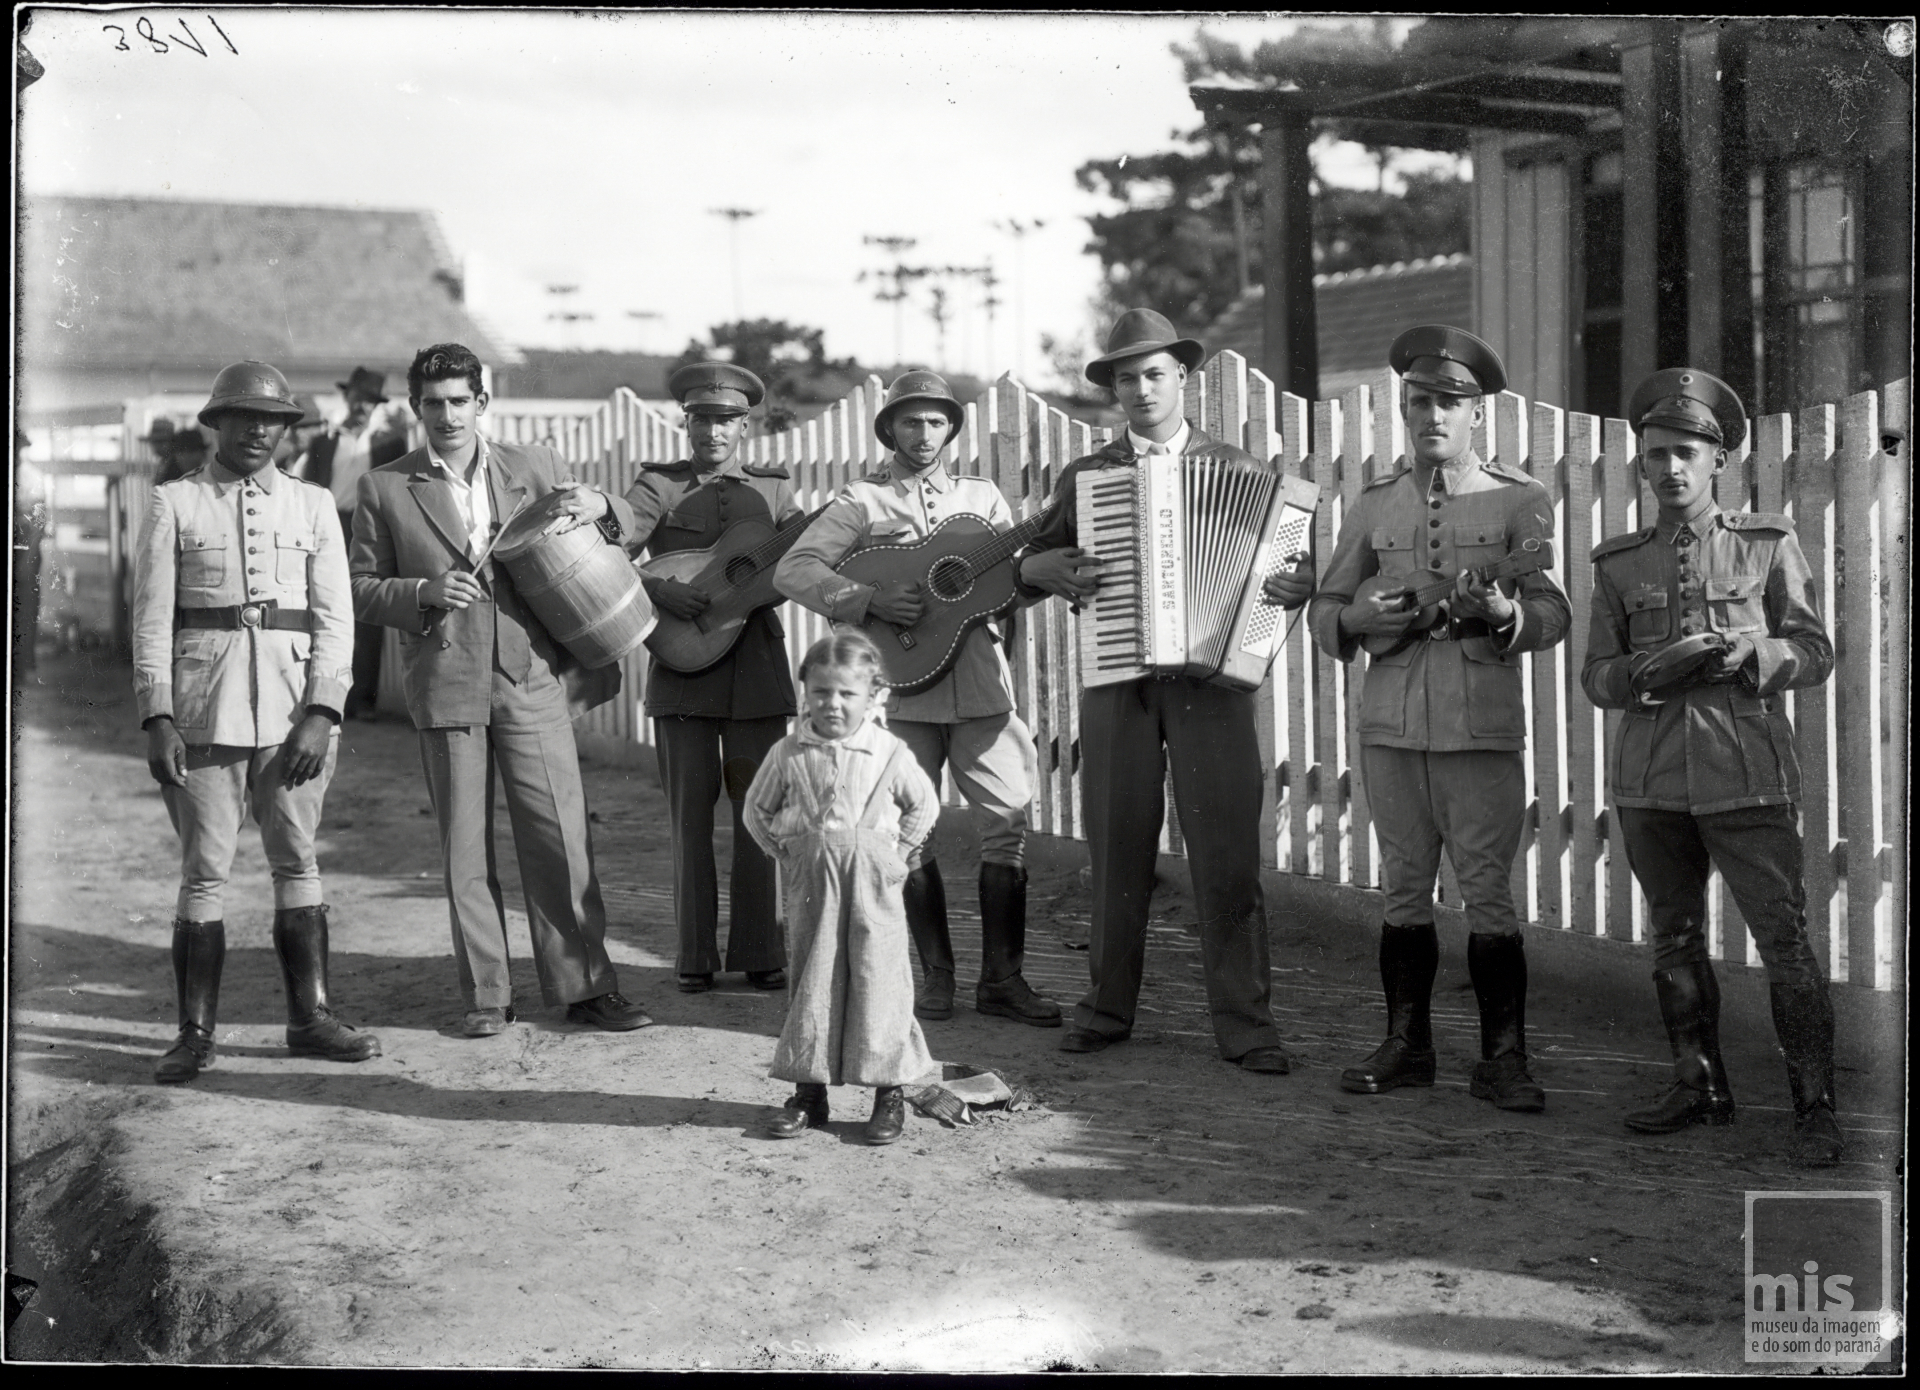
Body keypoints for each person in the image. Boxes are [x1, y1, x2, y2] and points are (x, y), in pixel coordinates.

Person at [1015, 309, 1312, 1072]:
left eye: (1154, 374)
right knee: (1115, 845)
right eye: (1126, 378)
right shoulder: (1086, 478)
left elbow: (1286, 574)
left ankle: (1246, 1025)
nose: (1141, 389)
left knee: (1228, 853)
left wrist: (1291, 586)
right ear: (1113, 390)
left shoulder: (1242, 471)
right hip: (1118, 680)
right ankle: (1106, 1009)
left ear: (1184, 377)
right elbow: (1028, 565)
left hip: (1214, 686)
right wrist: (1041, 571)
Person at [350, 342, 650, 1038]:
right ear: (416, 408)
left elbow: (606, 532)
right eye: (433, 403)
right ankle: (487, 994)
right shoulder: (384, 486)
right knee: (464, 848)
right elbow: (362, 589)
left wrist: (604, 504)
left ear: (482, 403)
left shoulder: (533, 465)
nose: (447, 415)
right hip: (446, 679)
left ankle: (585, 987)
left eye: (460, 401)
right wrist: (421, 591)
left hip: (530, 675)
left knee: (559, 836)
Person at [1307, 325, 1571, 1113]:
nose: (1434, 415)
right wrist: (1357, 616)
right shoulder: (1375, 502)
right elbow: (1325, 610)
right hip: (1390, 727)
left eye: (1451, 403)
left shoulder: (1521, 499)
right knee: (1402, 889)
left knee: (1488, 894)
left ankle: (1503, 1059)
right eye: (1421, 401)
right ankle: (1407, 1045)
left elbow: (1551, 612)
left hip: (1479, 726)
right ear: (1405, 409)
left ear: (1479, 413)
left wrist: (1502, 611)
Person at [1583, 368, 1842, 1167]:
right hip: (1651, 782)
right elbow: (1597, 674)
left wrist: (1750, 652)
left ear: (1718, 460)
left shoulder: (1766, 543)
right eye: (1655, 455)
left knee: (1785, 941)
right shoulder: (1619, 562)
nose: (1670, 469)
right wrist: (1639, 674)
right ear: (1640, 466)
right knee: (1674, 937)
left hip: (1745, 773)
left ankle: (1815, 1108)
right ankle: (1700, 1088)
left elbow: (1815, 650)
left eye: (1687, 453)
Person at [775, 370, 1061, 1028]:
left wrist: (1031, 573)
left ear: (951, 429)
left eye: (936, 422)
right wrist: (867, 598)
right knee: (909, 830)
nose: (924, 434)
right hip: (901, 689)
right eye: (911, 421)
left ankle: (1003, 980)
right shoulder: (861, 501)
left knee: (1006, 825)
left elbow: (1008, 582)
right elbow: (794, 569)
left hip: (982, 684)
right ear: (891, 429)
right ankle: (936, 976)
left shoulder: (981, 497)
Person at [130, 360, 380, 1083]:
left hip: (292, 712)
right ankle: (194, 1034)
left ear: (285, 429)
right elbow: (150, 624)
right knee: (204, 871)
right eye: (242, 418)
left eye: (270, 420)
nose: (256, 431)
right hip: (203, 713)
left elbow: (337, 621)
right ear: (217, 425)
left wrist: (323, 712)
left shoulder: (310, 507)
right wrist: (158, 717)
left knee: (297, 859)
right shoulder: (174, 504)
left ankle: (310, 1018)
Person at [622, 362, 794, 994]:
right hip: (682, 668)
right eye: (702, 419)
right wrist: (659, 585)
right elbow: (608, 555)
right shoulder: (657, 487)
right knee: (689, 819)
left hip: (754, 671)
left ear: (744, 425)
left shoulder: (775, 494)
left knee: (761, 813)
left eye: (726, 420)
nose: (713, 431)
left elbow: (802, 557)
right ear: (685, 421)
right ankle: (694, 955)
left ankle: (761, 951)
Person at [742, 629, 941, 1146]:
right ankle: (810, 1094)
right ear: (805, 692)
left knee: (880, 979)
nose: (833, 704)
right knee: (814, 978)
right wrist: (786, 853)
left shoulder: (888, 752)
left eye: (847, 694)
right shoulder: (788, 753)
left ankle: (888, 1095)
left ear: (874, 696)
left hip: (875, 884)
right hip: (813, 885)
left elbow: (925, 805)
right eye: (822, 692)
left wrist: (897, 857)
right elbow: (756, 811)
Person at [302, 367, 410, 718]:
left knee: (368, 613)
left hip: (369, 529)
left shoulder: (388, 444)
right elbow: (309, 489)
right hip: (330, 525)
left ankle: (361, 699)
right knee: (321, 606)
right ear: (347, 398)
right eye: (358, 398)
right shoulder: (325, 441)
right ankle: (319, 693)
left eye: (370, 400)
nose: (363, 406)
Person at [147, 417, 211, 487]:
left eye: (160, 442)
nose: (155, 446)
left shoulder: (175, 466)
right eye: (154, 442)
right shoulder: (165, 463)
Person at [275, 394, 330, 474]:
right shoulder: (283, 464)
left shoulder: (329, 463)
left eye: (302, 427)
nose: (287, 436)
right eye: (291, 428)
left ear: (319, 428)